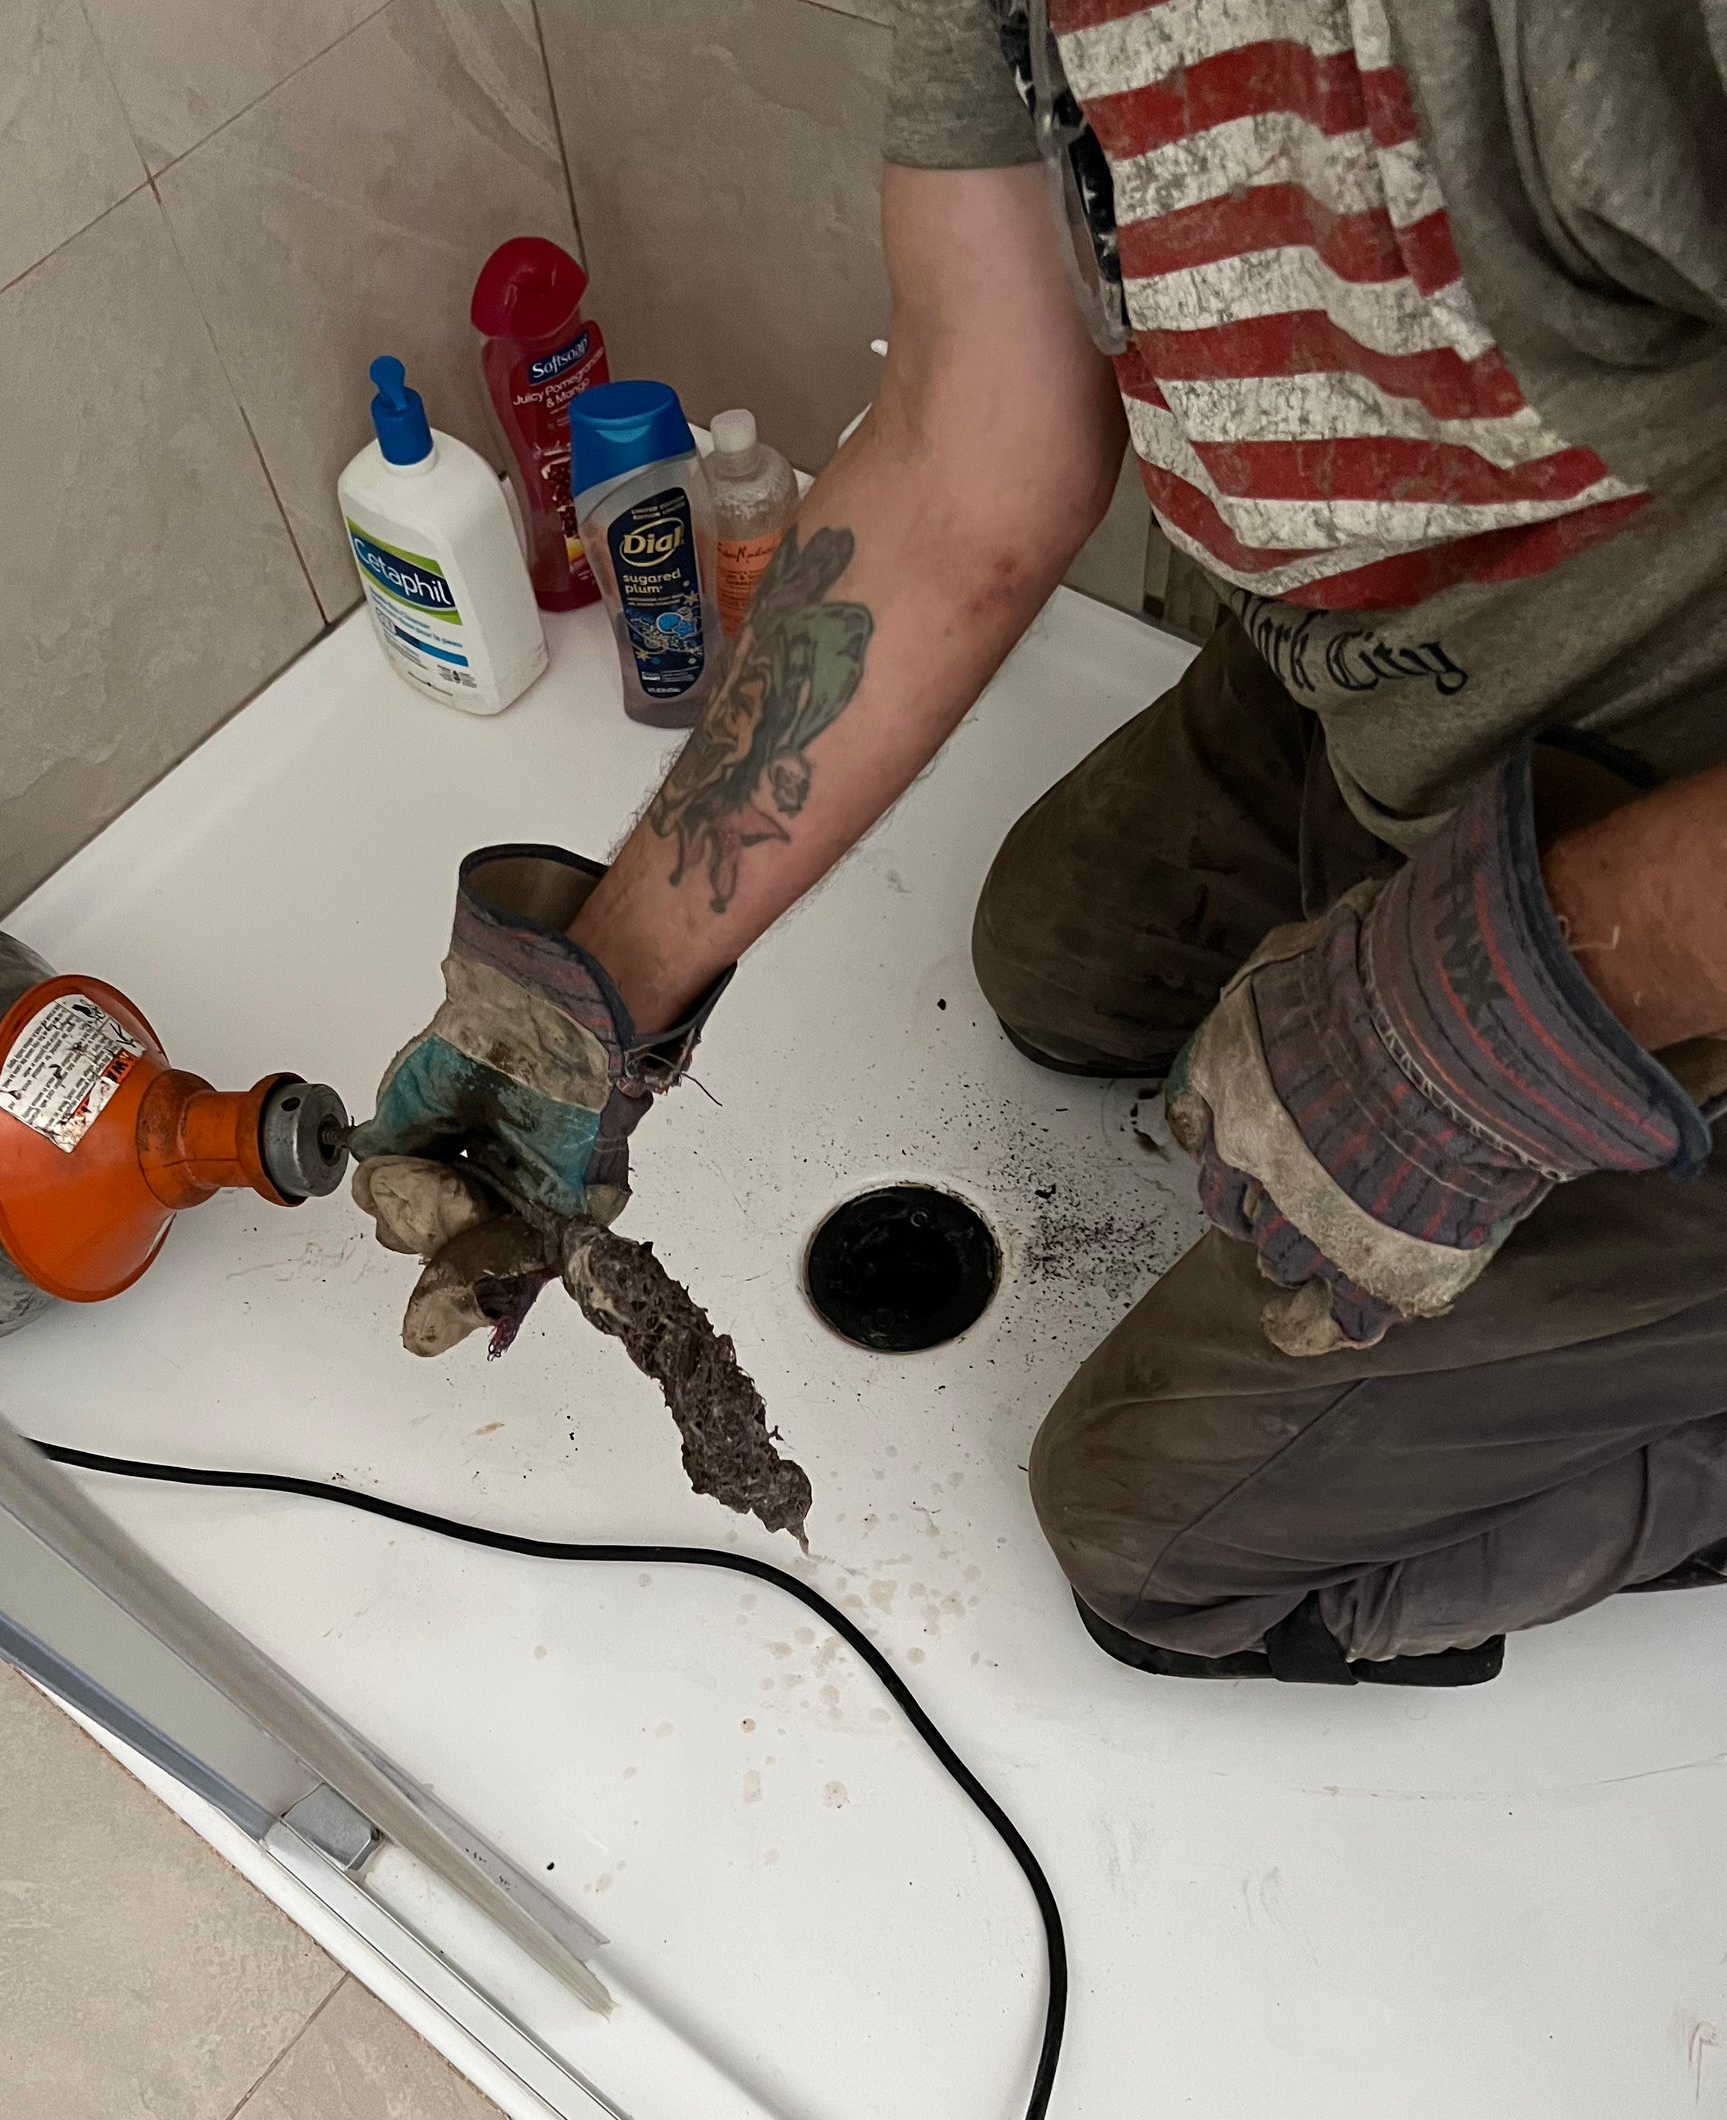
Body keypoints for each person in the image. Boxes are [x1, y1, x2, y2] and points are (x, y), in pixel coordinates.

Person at [348, 0, 1727, 1686]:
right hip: (1429, 678)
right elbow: (963, 447)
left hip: (1679, 838)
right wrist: (602, 985)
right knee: (1061, 965)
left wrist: (1500, 1013)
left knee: (1155, 1547)